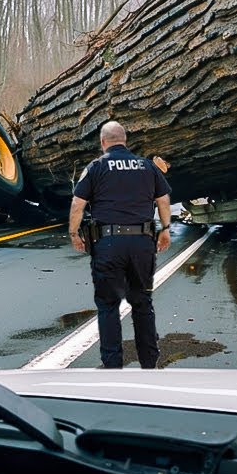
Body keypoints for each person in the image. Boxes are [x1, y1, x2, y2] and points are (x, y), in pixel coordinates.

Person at [69, 121, 172, 368]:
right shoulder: (147, 166)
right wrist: (166, 230)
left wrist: (74, 233)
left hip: (108, 244)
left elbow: (77, 204)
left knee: (108, 305)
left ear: (103, 143)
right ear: (125, 141)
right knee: (142, 302)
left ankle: (112, 366)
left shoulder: (96, 167)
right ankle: (149, 363)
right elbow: (163, 199)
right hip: (141, 243)